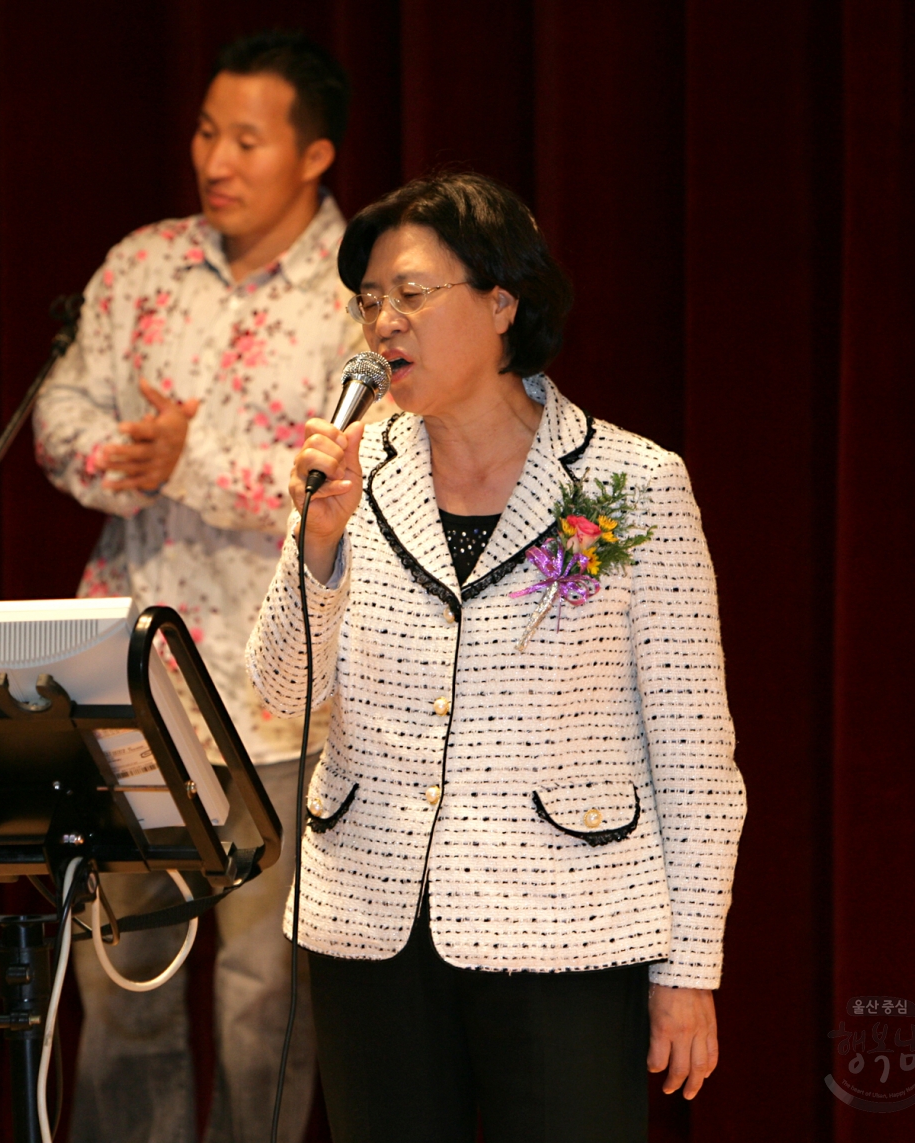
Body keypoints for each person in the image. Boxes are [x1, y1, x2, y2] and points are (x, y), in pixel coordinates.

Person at [245, 171, 747, 1143]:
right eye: (369, 300)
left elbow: (693, 752)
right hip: (371, 916)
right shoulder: (355, 475)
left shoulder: (631, 484)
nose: (383, 322)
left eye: (412, 294)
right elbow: (282, 689)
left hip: (566, 921)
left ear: (501, 304)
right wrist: (318, 547)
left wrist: (688, 971)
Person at [32, 30, 367, 1143]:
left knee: (262, 988)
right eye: (205, 132)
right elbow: (58, 409)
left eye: (246, 139)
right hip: (128, 673)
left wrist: (198, 466)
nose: (215, 158)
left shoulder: (357, 291)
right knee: (119, 971)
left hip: (278, 683)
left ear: (313, 155)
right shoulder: (142, 264)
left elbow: (364, 467)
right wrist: (113, 459)